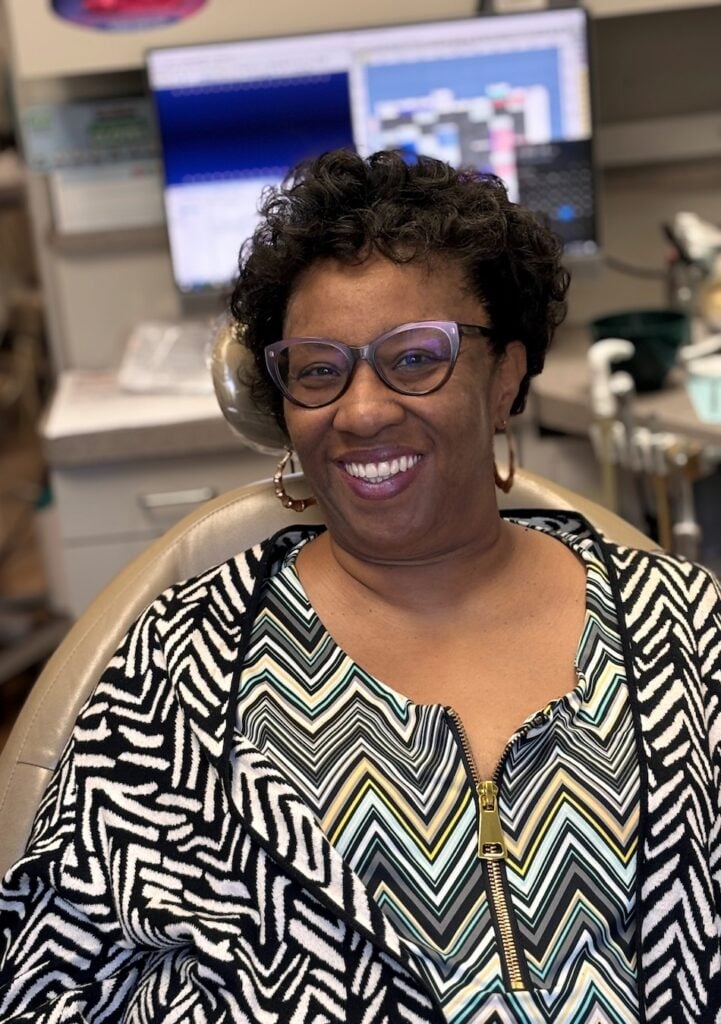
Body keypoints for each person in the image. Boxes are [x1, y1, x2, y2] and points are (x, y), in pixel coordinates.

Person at [0, 150, 719, 1024]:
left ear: (503, 378)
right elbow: (49, 983)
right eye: (317, 369)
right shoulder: (180, 665)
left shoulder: (685, 627)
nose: (362, 410)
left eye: (414, 359)